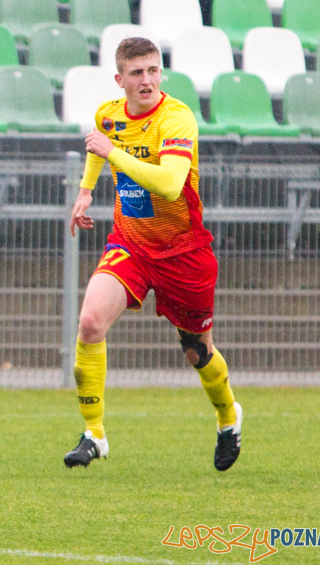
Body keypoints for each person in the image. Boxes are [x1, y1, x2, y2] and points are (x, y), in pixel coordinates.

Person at [64, 35, 241, 471]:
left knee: (197, 353)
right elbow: (99, 144)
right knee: (89, 322)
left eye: (153, 70)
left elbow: (168, 183)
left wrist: (114, 156)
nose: (147, 81)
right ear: (120, 79)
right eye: (138, 73)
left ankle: (228, 417)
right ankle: (95, 434)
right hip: (131, 243)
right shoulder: (108, 115)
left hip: (183, 251)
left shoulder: (176, 117)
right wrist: (86, 191)